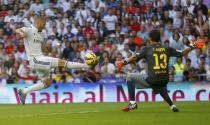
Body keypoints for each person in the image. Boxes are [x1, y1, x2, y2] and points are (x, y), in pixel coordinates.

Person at [116, 30, 203, 112]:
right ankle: (172, 106)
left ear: (150, 39)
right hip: (165, 80)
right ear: (159, 39)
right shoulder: (167, 48)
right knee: (160, 85)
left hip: (153, 79)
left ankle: (132, 103)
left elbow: (134, 58)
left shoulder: (147, 49)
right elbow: (182, 53)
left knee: (130, 76)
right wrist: (194, 45)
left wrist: (122, 63)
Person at [15, 16, 97, 104]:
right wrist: (21, 33)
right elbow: (17, 30)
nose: (44, 26)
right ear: (38, 22)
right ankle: (87, 65)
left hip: (41, 60)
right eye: (43, 24)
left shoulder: (41, 34)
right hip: (35, 60)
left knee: (47, 83)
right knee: (64, 63)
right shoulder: (29, 30)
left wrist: (51, 49)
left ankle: (24, 91)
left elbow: (43, 48)